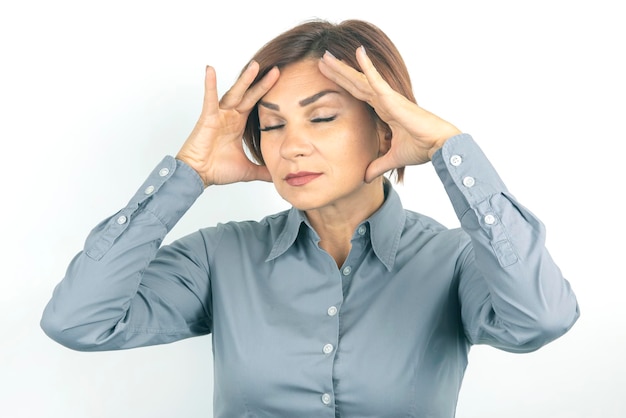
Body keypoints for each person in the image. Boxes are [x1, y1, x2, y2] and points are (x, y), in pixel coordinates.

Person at [41, 19, 580, 417]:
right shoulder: (219, 257)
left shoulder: (455, 260)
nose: (292, 146)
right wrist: (188, 173)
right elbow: (78, 320)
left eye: (321, 117)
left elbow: (542, 318)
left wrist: (448, 148)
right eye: (272, 126)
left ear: (386, 128)